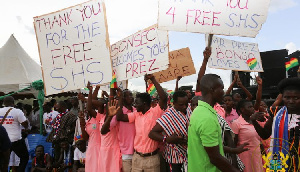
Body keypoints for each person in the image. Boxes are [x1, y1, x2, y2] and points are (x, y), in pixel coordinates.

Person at [188, 74, 239, 172]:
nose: (223, 92)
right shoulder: (206, 117)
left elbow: (210, 146)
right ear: (212, 90)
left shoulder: (199, 111)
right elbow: (215, 158)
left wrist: (233, 150)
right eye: (221, 89)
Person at [116, 74, 167, 171]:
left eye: (137, 103)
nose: (135, 105)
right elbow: (120, 117)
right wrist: (120, 99)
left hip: (152, 159)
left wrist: (153, 79)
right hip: (137, 158)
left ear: (144, 104)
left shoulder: (155, 112)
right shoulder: (135, 114)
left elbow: (163, 98)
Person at [250, 77, 300, 170]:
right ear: (282, 97)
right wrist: (254, 121)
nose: (291, 101)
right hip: (279, 160)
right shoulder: (276, 112)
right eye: (287, 97)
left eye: (296, 98)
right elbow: (265, 135)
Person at [149, 90, 192, 172]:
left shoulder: (189, 108)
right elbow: (152, 133)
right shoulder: (168, 116)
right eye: (181, 105)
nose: (184, 107)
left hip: (188, 155)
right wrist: (167, 139)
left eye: (186, 104)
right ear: (174, 103)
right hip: (174, 158)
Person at [231, 100, 264, 172]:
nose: (252, 109)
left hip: (257, 154)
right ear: (242, 109)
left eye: (252, 106)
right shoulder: (236, 123)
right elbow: (233, 143)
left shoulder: (255, 122)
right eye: (250, 107)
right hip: (245, 156)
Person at [0, 96, 29, 172]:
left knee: (3, 161)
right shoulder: (17, 111)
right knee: (24, 158)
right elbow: (25, 124)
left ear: (4, 103)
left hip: (3, 140)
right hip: (15, 140)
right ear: (13, 103)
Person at [79, 82, 102, 172]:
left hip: (100, 149)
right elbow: (85, 138)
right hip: (91, 149)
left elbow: (91, 106)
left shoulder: (99, 117)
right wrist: (82, 123)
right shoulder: (88, 121)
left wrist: (91, 91)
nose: (86, 108)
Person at [115, 88, 136, 172]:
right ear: (122, 99)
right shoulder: (119, 111)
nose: (130, 97)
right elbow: (119, 117)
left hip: (138, 151)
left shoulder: (136, 110)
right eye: (127, 96)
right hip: (126, 151)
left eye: (131, 95)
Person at [100, 99, 122, 172]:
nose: (111, 107)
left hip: (114, 151)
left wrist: (110, 116)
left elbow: (103, 131)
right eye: (109, 106)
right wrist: (109, 116)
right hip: (104, 152)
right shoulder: (102, 119)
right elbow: (103, 131)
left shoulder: (115, 119)